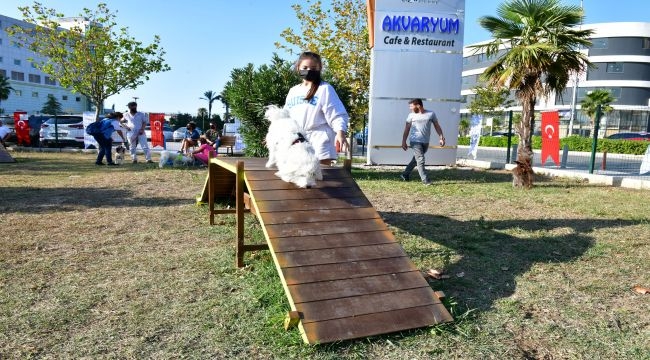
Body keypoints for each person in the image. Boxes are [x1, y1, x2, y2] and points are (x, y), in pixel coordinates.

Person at [284, 51, 349, 165]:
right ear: (298, 68)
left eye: (313, 68)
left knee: (322, 177)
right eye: (305, 67)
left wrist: (340, 133)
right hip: (298, 140)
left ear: (319, 68)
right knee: (298, 175)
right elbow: (285, 117)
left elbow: (337, 114)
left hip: (319, 140)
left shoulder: (325, 89)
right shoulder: (293, 91)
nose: (309, 70)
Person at [400, 98, 446, 185]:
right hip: (415, 140)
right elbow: (406, 129)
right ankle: (425, 180)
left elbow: (437, 126)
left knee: (416, 159)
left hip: (425, 141)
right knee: (420, 159)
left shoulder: (431, 114)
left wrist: (441, 137)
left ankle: (405, 174)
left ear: (418, 105)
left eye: (411, 106)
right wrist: (403, 141)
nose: (410, 108)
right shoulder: (411, 115)